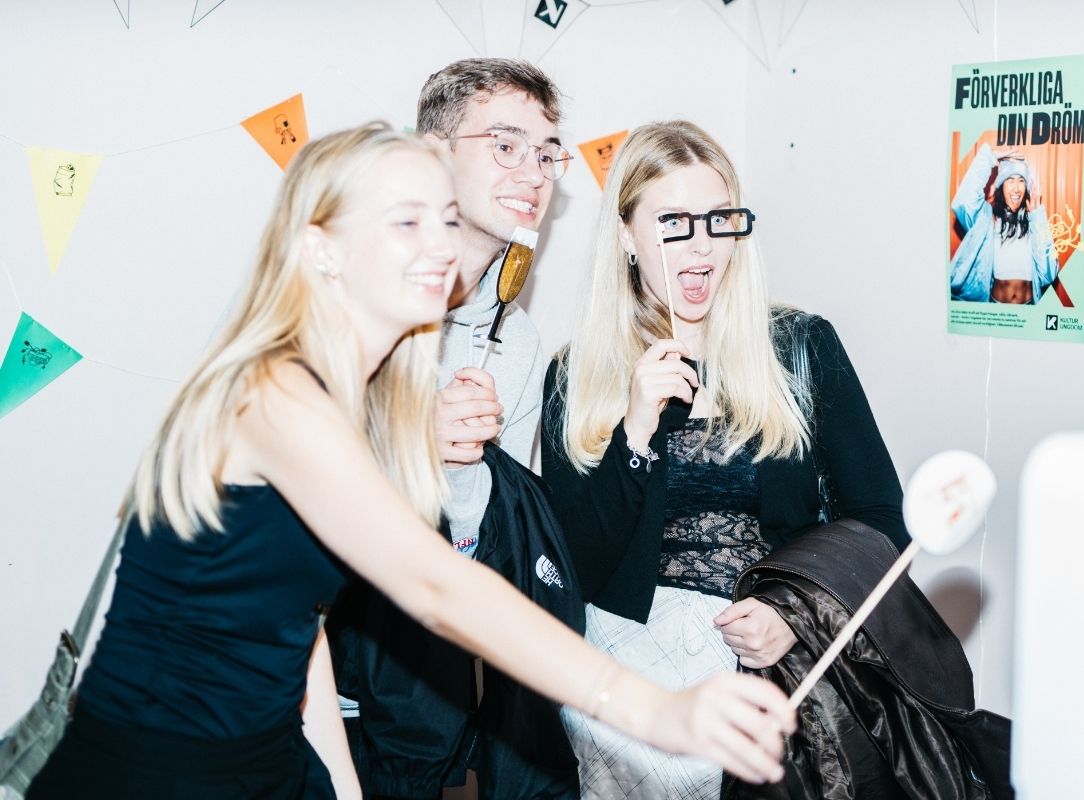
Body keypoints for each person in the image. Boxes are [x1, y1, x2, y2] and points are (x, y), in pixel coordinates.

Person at [26, 122, 795, 800]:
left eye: (447, 218)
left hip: (267, 763)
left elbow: (298, 624)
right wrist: (657, 711)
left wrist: (340, 787)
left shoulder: (357, 396)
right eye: (406, 222)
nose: (442, 245)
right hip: (154, 768)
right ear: (320, 250)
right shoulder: (273, 391)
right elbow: (434, 586)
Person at [541, 120, 909, 799]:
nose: (701, 244)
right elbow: (573, 569)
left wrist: (793, 613)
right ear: (626, 236)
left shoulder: (800, 347)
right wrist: (635, 434)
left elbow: (881, 519)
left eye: (718, 219)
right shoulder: (577, 373)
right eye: (673, 222)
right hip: (631, 675)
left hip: (775, 665)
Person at [325, 60, 581, 799]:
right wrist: (409, 443)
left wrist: (464, 473)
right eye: (505, 145)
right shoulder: (344, 293)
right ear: (434, 153)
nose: (533, 172)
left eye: (547, 153)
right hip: (293, 669)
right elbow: (256, 481)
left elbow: (486, 545)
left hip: (420, 704)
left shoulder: (519, 340)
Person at [949, 143, 1058, 304]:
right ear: (1001, 186)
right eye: (1010, 180)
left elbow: (1049, 274)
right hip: (996, 308)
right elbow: (964, 203)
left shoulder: (1033, 221)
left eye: (1021, 180)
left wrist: (1038, 218)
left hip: (1028, 308)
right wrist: (989, 158)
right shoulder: (989, 219)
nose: (1016, 188)